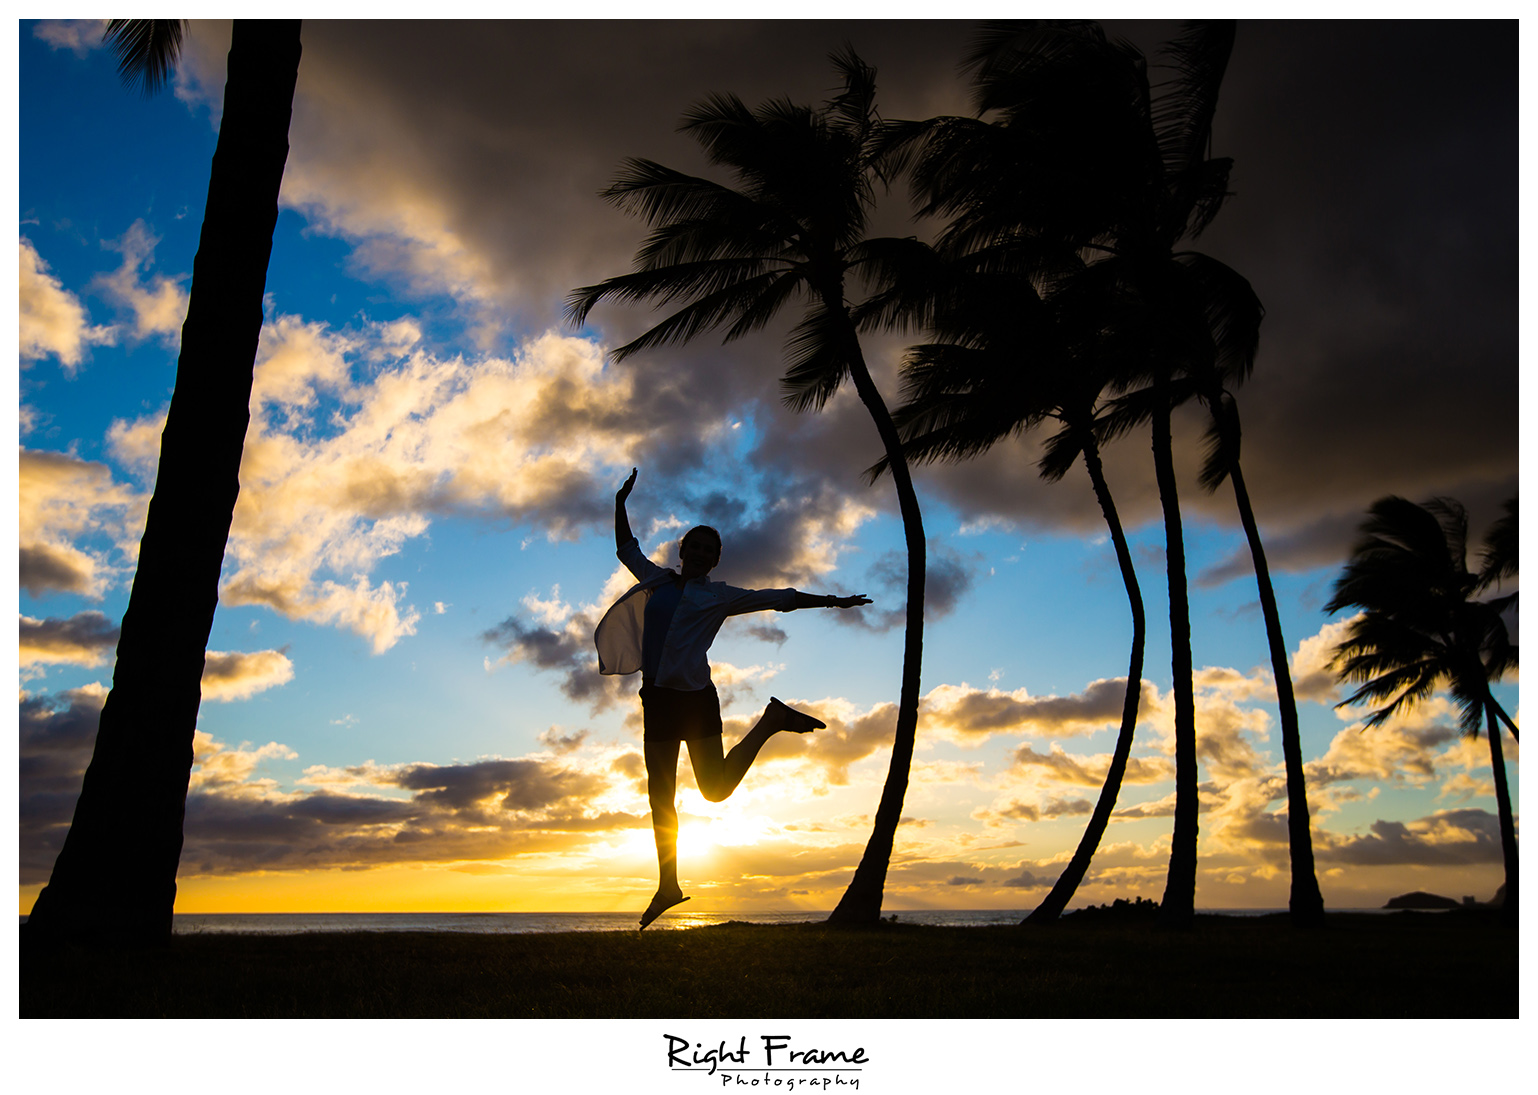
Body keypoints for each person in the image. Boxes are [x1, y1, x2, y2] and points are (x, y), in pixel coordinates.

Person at [596, 468, 872, 928]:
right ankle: (668, 886)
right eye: (695, 547)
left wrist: (831, 600)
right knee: (660, 797)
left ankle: (770, 721)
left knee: (715, 790)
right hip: (657, 700)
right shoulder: (656, 581)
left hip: (696, 700)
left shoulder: (720, 597)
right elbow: (626, 548)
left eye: (710, 550)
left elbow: (778, 597)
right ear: (682, 550)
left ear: (716, 561)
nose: (701, 554)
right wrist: (620, 502)